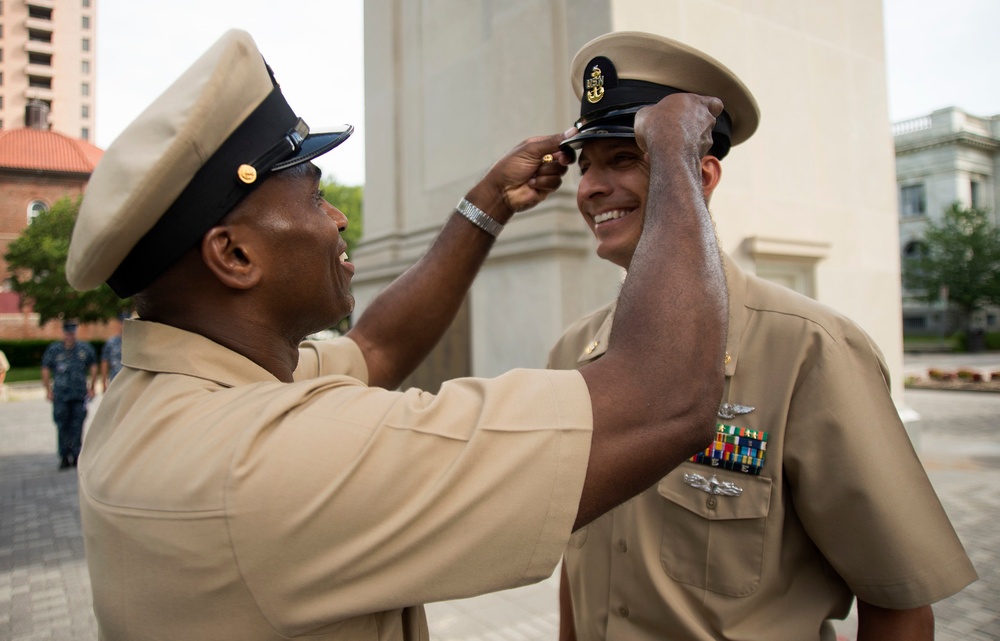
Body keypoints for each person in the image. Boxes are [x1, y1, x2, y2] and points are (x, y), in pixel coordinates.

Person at [65, 29, 730, 639]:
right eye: (312, 196)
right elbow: (663, 397)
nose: (337, 220)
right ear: (234, 256)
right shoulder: (270, 460)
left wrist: (489, 203)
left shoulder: (152, 402)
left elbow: (374, 348)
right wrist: (671, 152)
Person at [553, 32, 978, 641]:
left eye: (624, 159)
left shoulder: (812, 349)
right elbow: (579, 557)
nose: (591, 188)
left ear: (699, 176)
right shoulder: (573, 352)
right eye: (586, 166)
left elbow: (897, 603)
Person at [41, 320, 97, 469]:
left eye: (72, 332)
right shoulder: (54, 350)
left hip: (79, 394)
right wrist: (47, 390)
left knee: (77, 425)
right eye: (67, 332)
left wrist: (92, 387)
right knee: (62, 425)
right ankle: (64, 455)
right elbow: (45, 368)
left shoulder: (84, 349)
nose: (70, 335)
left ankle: (77, 454)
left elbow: (93, 365)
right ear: (63, 333)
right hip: (61, 395)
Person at [99, 314, 124, 392]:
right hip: (114, 381)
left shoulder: (135, 343)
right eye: (122, 323)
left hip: (130, 383)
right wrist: (104, 382)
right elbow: (104, 362)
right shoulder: (111, 342)